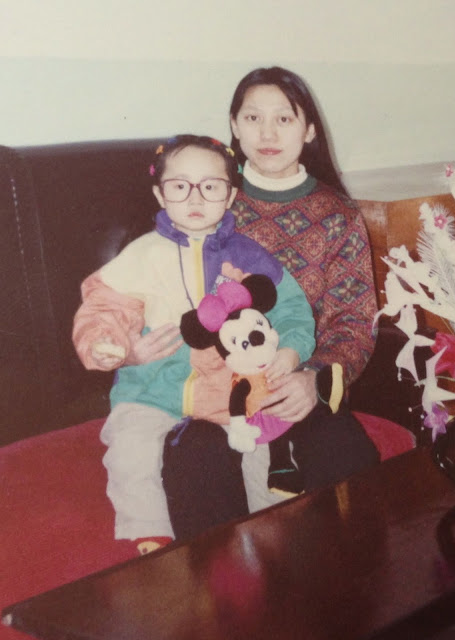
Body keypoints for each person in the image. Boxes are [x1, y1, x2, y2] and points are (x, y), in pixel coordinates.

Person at [161, 67, 380, 539]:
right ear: (234, 126)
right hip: (214, 388)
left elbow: (355, 323)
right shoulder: (207, 203)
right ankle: (218, 583)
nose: (267, 133)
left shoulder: (337, 216)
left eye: (284, 119)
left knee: (342, 451)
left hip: (296, 382)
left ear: (309, 130)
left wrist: (313, 379)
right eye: (253, 117)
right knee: (195, 453)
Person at [72, 134, 316, 553]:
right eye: (180, 185)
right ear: (159, 194)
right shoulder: (141, 255)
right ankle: (150, 535)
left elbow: (293, 309)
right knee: (130, 446)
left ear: (230, 195)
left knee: (267, 448)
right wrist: (111, 346)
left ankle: (274, 533)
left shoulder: (251, 256)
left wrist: (291, 351)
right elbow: (104, 308)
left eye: (211, 186)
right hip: (152, 388)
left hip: (234, 392)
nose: (195, 197)